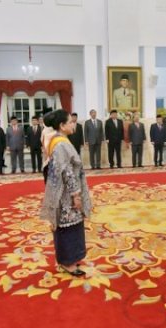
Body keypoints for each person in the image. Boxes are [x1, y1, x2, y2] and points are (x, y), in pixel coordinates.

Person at [40, 109, 92, 277]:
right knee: (68, 226)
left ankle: (68, 258)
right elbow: (67, 172)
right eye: (70, 122)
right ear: (62, 126)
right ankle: (68, 262)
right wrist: (76, 195)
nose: (73, 124)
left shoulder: (59, 139)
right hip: (66, 196)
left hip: (64, 192)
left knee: (71, 225)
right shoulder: (61, 144)